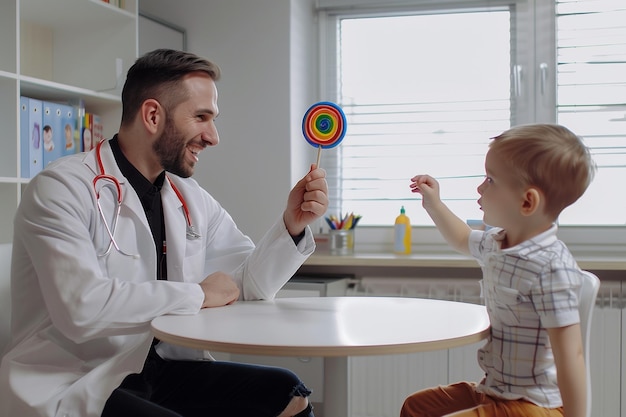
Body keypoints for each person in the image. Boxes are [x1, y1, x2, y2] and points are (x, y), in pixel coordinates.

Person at [0, 49, 328, 417]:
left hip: (163, 368)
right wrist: (197, 294)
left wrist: (292, 224)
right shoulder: (61, 188)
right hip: (77, 378)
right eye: (202, 117)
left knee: (288, 393)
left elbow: (245, 284)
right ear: (153, 115)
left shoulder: (188, 197)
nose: (213, 136)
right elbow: (82, 308)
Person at [402, 124, 596, 417]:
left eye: (491, 180)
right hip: (496, 390)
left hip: (535, 405)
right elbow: (461, 237)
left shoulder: (551, 268)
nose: (480, 188)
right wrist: (434, 203)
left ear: (527, 202)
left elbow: (571, 357)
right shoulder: (498, 243)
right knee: (416, 408)